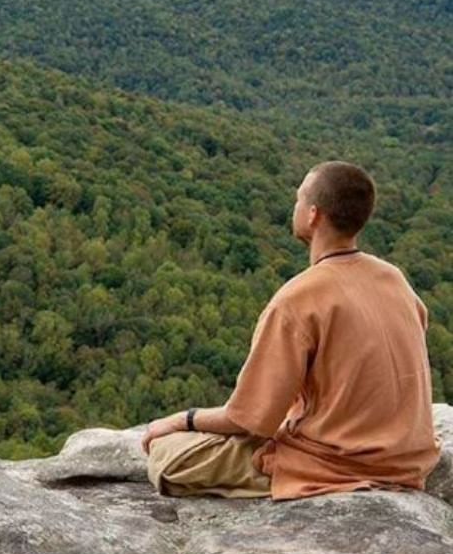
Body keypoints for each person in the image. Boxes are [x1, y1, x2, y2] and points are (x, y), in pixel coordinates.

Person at [141, 161, 440, 500]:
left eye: (299, 199)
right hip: (409, 459)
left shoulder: (297, 299)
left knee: (170, 457)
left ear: (313, 215)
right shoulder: (394, 278)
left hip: (335, 463)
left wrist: (184, 419)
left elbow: (250, 420)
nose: (294, 206)